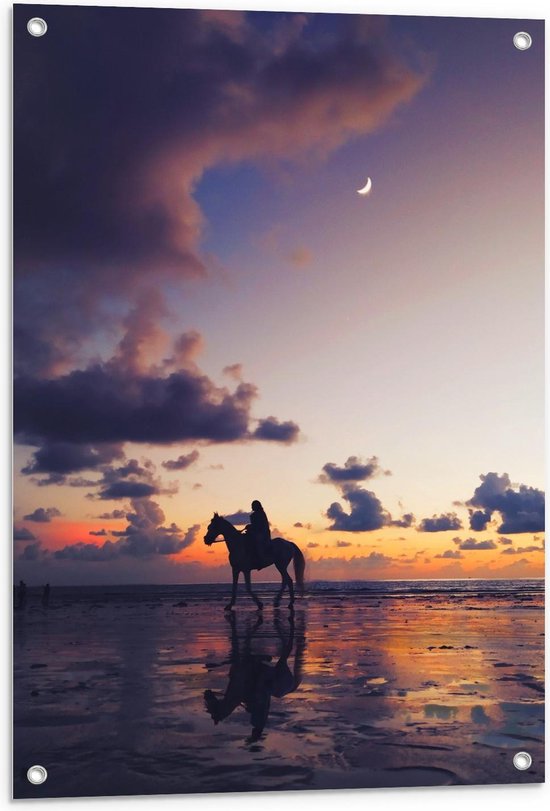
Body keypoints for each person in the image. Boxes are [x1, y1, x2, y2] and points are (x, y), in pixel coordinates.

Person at [250, 500, 271, 566]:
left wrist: (253, 529)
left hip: (263, 533)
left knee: (257, 542)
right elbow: (254, 525)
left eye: (253, 506)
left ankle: (261, 558)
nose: (252, 507)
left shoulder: (261, 514)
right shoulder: (253, 515)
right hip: (256, 532)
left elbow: (261, 525)